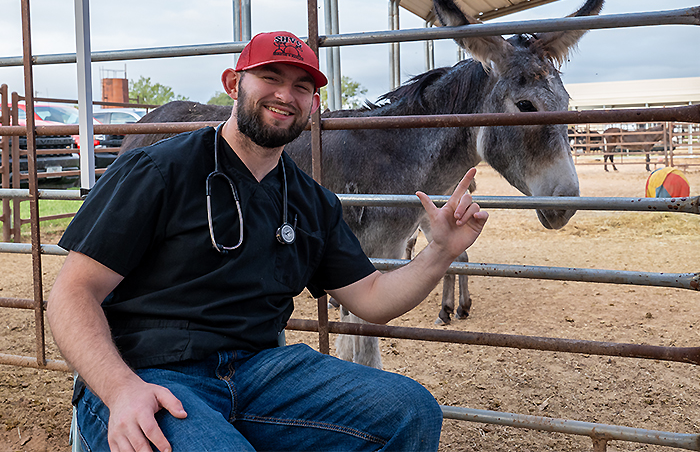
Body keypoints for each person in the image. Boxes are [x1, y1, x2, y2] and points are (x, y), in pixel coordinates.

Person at [47, 31, 489, 452]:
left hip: (259, 373)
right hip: (149, 372)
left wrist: (440, 251)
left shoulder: (311, 202)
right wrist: (120, 389)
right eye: (270, 77)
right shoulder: (159, 170)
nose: (285, 94)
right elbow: (72, 293)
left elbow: (372, 298)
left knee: (411, 411)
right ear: (233, 83)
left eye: (301, 86)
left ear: (313, 105)